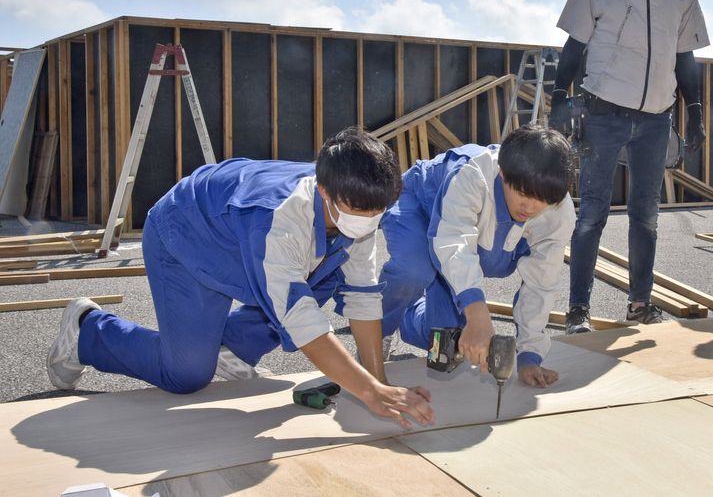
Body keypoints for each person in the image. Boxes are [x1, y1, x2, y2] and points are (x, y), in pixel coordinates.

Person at [47, 127, 434, 430]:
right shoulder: (280, 220)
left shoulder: (358, 213)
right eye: (355, 211)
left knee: (326, 277)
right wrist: (368, 392)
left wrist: (381, 384)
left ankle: (230, 351)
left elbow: (363, 296)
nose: (366, 222)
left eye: (376, 212)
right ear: (323, 191)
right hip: (188, 237)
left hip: (244, 240)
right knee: (185, 375)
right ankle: (89, 331)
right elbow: (302, 322)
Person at [549, 0, 709, 332]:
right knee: (593, 214)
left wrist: (694, 111)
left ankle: (640, 304)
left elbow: (686, 57)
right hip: (603, 115)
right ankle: (577, 311)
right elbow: (573, 46)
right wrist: (559, 98)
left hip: (657, 119)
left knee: (646, 216)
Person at [379, 124, 575, 387]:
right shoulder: (472, 175)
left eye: (542, 200)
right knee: (413, 269)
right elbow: (454, 243)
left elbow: (542, 283)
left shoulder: (559, 214)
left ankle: (406, 313)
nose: (530, 207)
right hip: (420, 204)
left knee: (451, 339)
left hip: (458, 242)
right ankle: (376, 331)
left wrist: (530, 355)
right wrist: (478, 315)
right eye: (523, 194)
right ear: (503, 173)